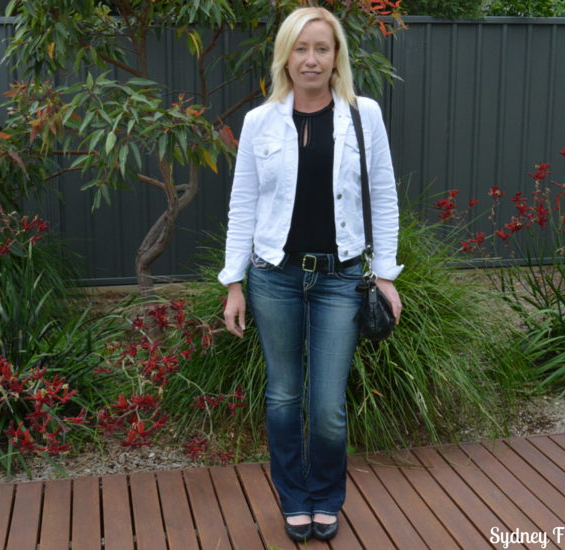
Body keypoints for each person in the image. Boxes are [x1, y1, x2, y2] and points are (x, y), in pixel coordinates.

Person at [218, 6, 402, 542]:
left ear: (337, 56)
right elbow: (243, 204)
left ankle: (327, 495)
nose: (311, 59)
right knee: (282, 396)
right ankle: (295, 498)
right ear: (285, 56)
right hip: (273, 278)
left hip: (340, 279)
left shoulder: (363, 115)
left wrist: (385, 274)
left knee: (326, 407)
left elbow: (383, 196)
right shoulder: (260, 121)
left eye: (322, 48)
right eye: (301, 48)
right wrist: (234, 283)